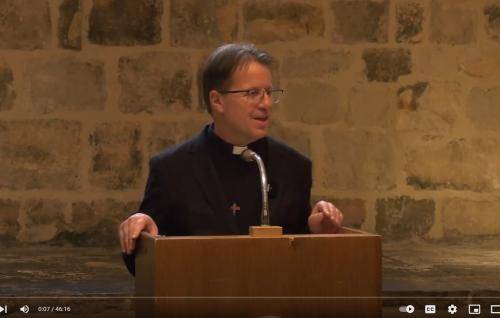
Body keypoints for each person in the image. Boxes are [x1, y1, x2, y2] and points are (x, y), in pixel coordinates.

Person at [119, 43, 343, 275]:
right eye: (253, 93)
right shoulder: (172, 169)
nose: (266, 104)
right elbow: (140, 264)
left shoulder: (294, 167)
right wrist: (141, 232)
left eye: (269, 92)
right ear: (217, 101)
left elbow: (301, 264)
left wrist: (317, 233)